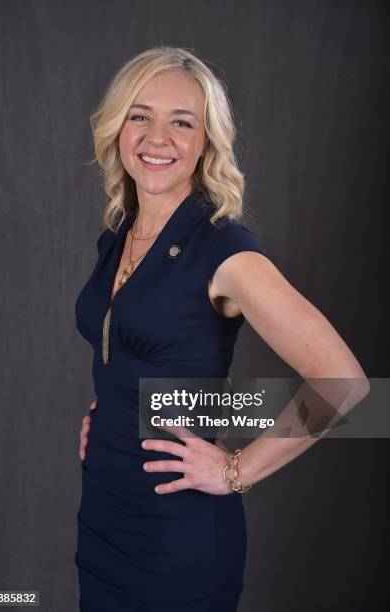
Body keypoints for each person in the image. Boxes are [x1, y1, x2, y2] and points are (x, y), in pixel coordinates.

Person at [74, 46, 368, 612]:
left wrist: (236, 469)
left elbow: (346, 385)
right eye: (141, 115)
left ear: (205, 142)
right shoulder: (119, 236)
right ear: (117, 127)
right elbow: (140, 352)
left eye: (181, 122)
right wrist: (111, 408)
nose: (157, 137)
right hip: (103, 521)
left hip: (175, 541)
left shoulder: (224, 250)